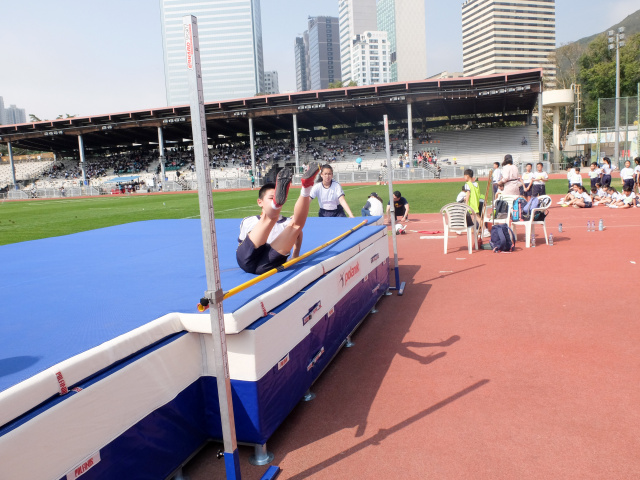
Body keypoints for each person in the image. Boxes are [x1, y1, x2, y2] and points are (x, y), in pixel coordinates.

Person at [236, 164, 320, 275]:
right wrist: (295, 255)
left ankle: (304, 189)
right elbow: (243, 244)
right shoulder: (249, 221)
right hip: (256, 260)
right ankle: (306, 189)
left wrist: (295, 255)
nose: (273, 199)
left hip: (263, 262)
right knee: (293, 224)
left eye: (275, 198)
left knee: (291, 224)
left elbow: (299, 233)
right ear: (260, 202)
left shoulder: (286, 223)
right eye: (271, 198)